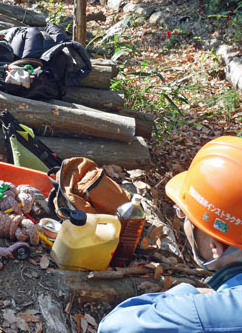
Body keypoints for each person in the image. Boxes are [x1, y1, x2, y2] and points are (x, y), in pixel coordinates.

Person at [98, 136, 242, 332]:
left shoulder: (203, 314)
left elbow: (114, 326)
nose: (182, 219)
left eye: (184, 214)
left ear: (215, 247)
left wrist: (189, 293)